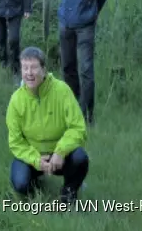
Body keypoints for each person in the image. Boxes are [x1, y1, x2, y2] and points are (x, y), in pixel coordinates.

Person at [6, 47, 89, 205]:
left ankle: (69, 192)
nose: (29, 73)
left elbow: (78, 127)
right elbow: (15, 141)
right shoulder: (16, 100)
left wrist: (60, 151)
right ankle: (35, 184)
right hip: (32, 157)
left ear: (44, 70)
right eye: (25, 68)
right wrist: (36, 160)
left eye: (34, 67)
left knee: (80, 158)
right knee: (20, 184)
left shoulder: (62, 90)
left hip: (60, 157)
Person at [58, 0, 109, 125]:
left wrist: (94, 12)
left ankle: (88, 115)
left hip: (86, 24)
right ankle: (73, 110)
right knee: (68, 67)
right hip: (65, 23)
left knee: (86, 70)